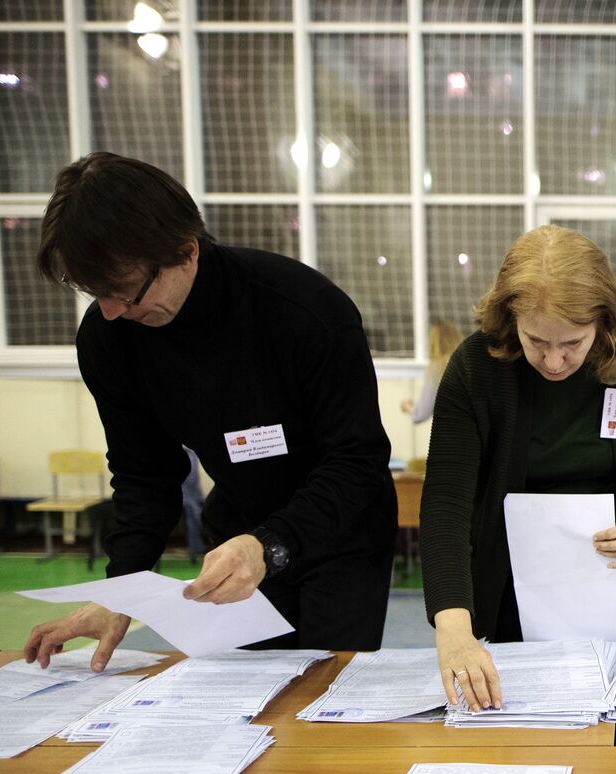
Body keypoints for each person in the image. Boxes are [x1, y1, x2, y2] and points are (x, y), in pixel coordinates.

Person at [25, 152, 397, 672]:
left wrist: (268, 545)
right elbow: (144, 474)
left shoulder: (303, 311)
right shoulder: (111, 337)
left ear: (185, 250)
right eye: (95, 293)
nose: (111, 311)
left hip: (341, 537)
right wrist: (120, 591)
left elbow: (357, 459)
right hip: (235, 539)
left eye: (124, 291)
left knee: (325, 698)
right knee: (238, 701)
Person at [421, 225, 616, 710]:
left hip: (615, 584)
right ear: (510, 319)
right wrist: (454, 626)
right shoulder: (476, 367)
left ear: (605, 323)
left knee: (613, 730)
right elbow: (446, 503)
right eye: (535, 340)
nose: (552, 360)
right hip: (505, 587)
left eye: (572, 342)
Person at [401, 322, 464, 424]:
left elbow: (421, 414)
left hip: (454, 433)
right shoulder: (471, 363)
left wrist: (408, 407)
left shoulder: (438, 367)